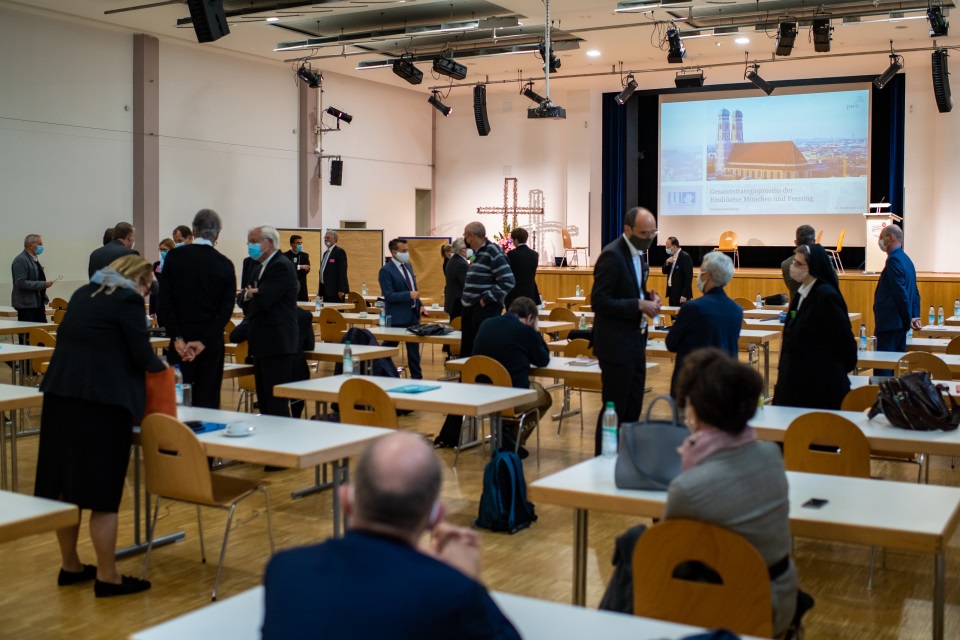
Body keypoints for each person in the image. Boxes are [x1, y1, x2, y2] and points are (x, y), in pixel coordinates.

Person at [262, 432, 520, 640]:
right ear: (435, 516)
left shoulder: (284, 569)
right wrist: (467, 579)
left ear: (345, 500)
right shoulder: (450, 594)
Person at [34, 255, 167, 597]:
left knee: (64, 488)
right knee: (102, 495)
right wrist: (168, 361)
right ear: (140, 281)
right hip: (101, 403)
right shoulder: (127, 300)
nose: (146, 296)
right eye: (148, 289)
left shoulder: (83, 293)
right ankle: (108, 576)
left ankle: (71, 565)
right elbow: (141, 356)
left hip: (59, 395)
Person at [667, 349, 798, 637]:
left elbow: (671, 560)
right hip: (782, 596)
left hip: (730, 606)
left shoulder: (687, 489)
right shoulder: (771, 455)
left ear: (695, 410)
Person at [590, 207, 660, 456]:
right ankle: (603, 459)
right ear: (628, 230)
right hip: (615, 344)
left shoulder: (639, 255)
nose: (649, 238)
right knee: (614, 408)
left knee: (633, 406)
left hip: (635, 341)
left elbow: (632, 290)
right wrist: (638, 304)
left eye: (653, 233)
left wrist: (648, 297)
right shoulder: (612, 255)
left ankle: (626, 458)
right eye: (644, 233)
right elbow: (598, 302)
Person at [158, 209, 236, 409]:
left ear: (193, 230)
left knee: (177, 403)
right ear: (217, 233)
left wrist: (177, 338)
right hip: (209, 345)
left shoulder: (174, 258)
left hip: (180, 343)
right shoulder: (225, 264)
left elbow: (165, 302)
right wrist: (202, 342)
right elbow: (225, 310)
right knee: (207, 402)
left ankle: (176, 440)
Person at [774, 244, 857, 409]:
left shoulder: (826, 296)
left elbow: (845, 343)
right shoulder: (801, 293)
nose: (793, 267)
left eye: (798, 264)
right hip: (796, 384)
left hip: (820, 386)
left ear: (813, 267)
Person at [473, 297, 553, 455]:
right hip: (511, 396)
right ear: (530, 318)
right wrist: (535, 330)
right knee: (544, 397)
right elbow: (543, 360)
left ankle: (505, 435)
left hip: (481, 393)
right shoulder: (526, 331)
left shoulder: (486, 323)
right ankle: (514, 440)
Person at [237, 225, 300, 416]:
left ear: (269, 243)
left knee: (275, 403)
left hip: (277, 343)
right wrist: (250, 294)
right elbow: (244, 302)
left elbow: (263, 301)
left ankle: (281, 443)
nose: (250, 245)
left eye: (254, 241)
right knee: (264, 402)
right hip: (261, 342)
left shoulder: (281, 265)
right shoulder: (258, 268)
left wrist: (250, 294)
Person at [665, 251, 742, 397]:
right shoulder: (736, 310)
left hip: (693, 384)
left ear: (707, 276)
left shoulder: (692, 308)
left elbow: (671, 343)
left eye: (701, 272)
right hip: (724, 383)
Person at [460, 221, 515, 357]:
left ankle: (479, 377)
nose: (465, 239)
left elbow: (508, 280)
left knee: (481, 351)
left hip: (484, 310)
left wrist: (486, 299)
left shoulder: (493, 251)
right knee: (468, 351)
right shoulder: (477, 253)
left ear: (472, 236)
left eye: (465, 236)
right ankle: (468, 377)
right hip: (470, 308)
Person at [874, 224, 921, 366]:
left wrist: (909, 319)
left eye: (881, 237)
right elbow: (915, 292)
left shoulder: (894, 260)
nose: (880, 240)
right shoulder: (907, 260)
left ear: (890, 238)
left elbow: (901, 293)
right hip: (900, 325)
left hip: (890, 324)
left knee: (885, 367)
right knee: (897, 367)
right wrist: (913, 316)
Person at [379, 238, 424, 379]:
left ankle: (417, 378)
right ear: (394, 252)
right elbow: (389, 295)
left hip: (412, 315)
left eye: (407, 250)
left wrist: (420, 305)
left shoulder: (408, 266)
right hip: (397, 316)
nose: (406, 253)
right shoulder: (386, 271)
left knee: (414, 352)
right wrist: (408, 295)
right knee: (389, 347)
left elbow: (414, 289)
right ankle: (381, 369)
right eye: (403, 251)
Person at [11, 234, 54, 324]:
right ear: (31, 245)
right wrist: (43, 284)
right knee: (27, 334)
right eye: (40, 244)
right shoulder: (21, 260)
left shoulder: (33, 258)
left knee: (40, 333)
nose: (42, 246)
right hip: (27, 305)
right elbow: (21, 282)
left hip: (38, 303)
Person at [504, 227, 541, 307]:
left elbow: (507, 273)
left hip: (514, 294)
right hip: (530, 293)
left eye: (512, 240)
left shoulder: (511, 255)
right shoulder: (534, 254)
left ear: (516, 240)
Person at [781, 225, 817, 301]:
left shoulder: (785, 264)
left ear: (796, 242)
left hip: (796, 310)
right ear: (814, 241)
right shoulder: (824, 262)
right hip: (819, 310)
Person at [149, 238, 176, 323]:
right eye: (160, 250)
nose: (162, 252)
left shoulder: (176, 264)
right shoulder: (157, 265)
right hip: (159, 305)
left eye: (164, 250)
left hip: (173, 306)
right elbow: (153, 287)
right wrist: (152, 310)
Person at [661, 236, 693, 307]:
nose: (666, 249)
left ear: (674, 247)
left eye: (668, 247)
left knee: (682, 317)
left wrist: (684, 295)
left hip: (681, 294)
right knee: (673, 316)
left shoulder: (685, 257)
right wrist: (666, 262)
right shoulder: (671, 256)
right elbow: (664, 271)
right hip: (672, 292)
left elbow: (688, 278)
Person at [318, 230, 349, 303]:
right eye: (325, 238)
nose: (326, 240)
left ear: (335, 239)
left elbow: (342, 271)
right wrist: (321, 291)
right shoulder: (326, 253)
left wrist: (341, 289)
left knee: (336, 313)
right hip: (326, 290)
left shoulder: (339, 252)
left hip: (336, 291)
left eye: (328, 238)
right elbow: (323, 272)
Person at [443, 238, 469, 321]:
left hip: (453, 302)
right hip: (459, 303)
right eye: (467, 248)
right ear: (462, 250)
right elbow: (466, 284)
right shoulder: (461, 264)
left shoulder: (453, 260)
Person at [283, 234, 311, 302]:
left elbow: (307, 269)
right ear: (291, 244)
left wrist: (294, 267)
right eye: (298, 243)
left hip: (302, 286)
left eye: (301, 243)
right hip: (289, 286)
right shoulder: (285, 256)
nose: (300, 245)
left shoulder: (305, 255)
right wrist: (299, 267)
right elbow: (286, 269)